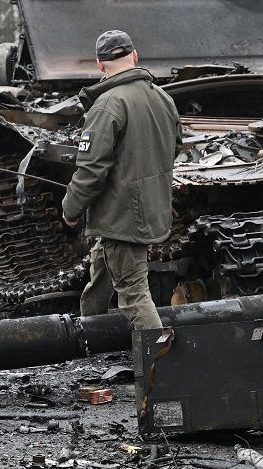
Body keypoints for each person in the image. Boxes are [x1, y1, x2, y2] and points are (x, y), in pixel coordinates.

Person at [60, 29, 180, 333]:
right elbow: (174, 147)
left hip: (123, 215)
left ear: (100, 66)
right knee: (101, 271)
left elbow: (90, 170)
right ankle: (93, 338)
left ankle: (162, 363)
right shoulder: (164, 98)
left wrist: (70, 209)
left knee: (134, 297)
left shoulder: (107, 105)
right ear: (135, 57)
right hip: (151, 208)